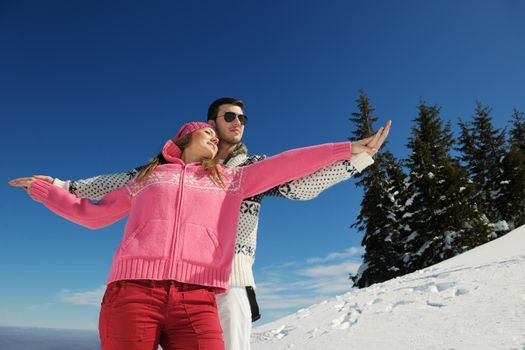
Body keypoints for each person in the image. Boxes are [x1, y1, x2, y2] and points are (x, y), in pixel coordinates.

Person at [11, 99, 391, 350]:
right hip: (133, 291)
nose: (232, 127)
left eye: (242, 118)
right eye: (218, 125)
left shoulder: (237, 177)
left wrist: (349, 151)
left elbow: (290, 168)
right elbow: (95, 210)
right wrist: (53, 189)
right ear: (190, 134)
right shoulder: (148, 175)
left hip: (203, 292)